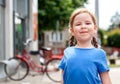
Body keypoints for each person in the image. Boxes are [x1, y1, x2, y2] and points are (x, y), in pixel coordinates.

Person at [59, 7, 112, 84]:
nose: (83, 26)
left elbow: (106, 80)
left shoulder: (100, 54)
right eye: (78, 24)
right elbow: (62, 72)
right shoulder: (67, 52)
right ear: (72, 31)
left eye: (87, 23)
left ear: (94, 28)